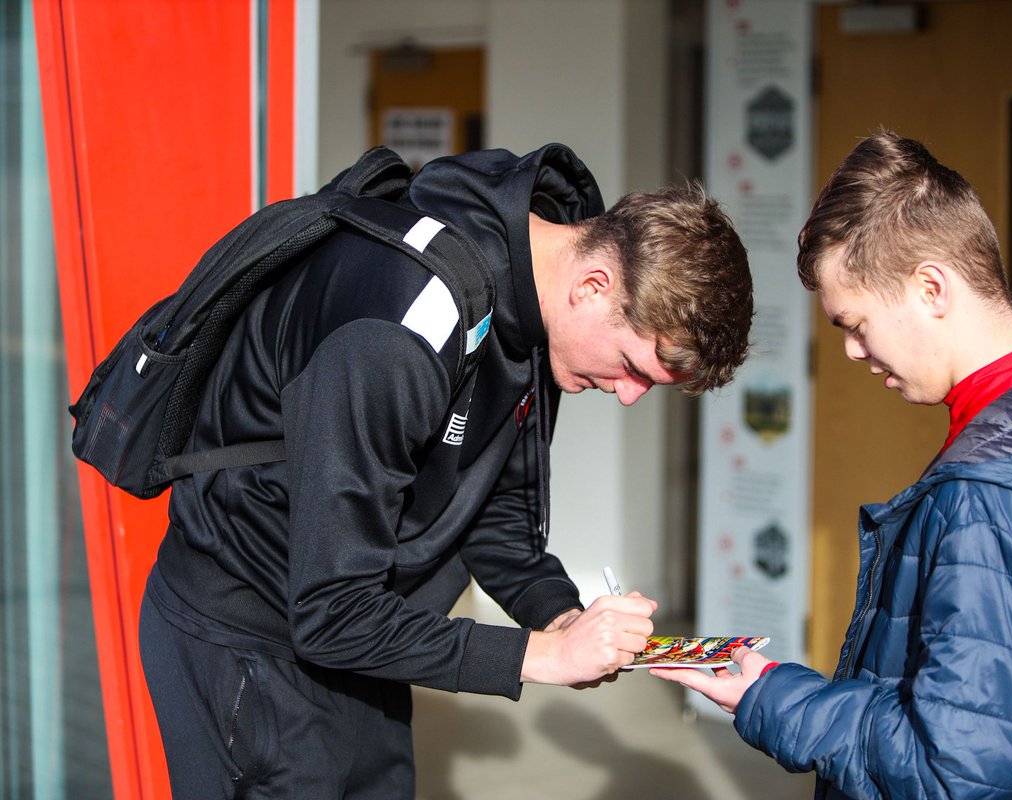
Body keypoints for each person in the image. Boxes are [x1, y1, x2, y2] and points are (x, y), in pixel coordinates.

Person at [139, 142, 754, 799]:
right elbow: (330, 611)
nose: (629, 395)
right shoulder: (399, 325)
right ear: (594, 286)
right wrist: (541, 659)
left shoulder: (531, 312)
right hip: (248, 643)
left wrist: (560, 617)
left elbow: (483, 510)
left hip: (363, 647)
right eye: (635, 367)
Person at [654, 130, 1012, 799]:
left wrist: (772, 697)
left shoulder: (993, 498)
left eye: (856, 324)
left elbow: (953, 766)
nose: (852, 352)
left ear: (931, 288)